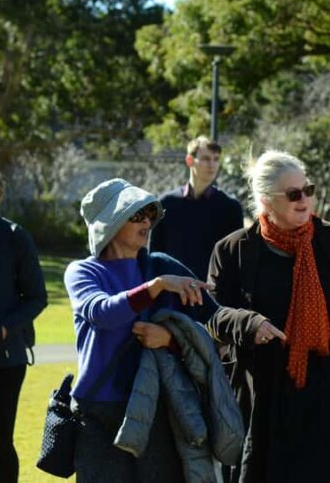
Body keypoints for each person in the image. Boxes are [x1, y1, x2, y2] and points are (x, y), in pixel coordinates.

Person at [205, 150, 330, 483]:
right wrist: (249, 323)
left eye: (308, 190)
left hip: (327, 390)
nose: (304, 201)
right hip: (264, 394)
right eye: (293, 194)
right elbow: (212, 314)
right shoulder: (233, 250)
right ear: (265, 200)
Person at [64, 178, 224, 482]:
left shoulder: (161, 266)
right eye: (137, 214)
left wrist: (171, 340)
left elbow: (213, 323)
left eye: (150, 213)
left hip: (157, 406)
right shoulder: (83, 271)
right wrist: (156, 287)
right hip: (98, 412)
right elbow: (102, 313)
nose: (147, 222)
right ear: (110, 223)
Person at [0, 166, 48, 483]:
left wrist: (4, 328)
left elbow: (37, 297)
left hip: (5, 361)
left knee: (0, 443)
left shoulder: (15, 237)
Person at [150, 136, 244, 281]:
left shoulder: (230, 208)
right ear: (189, 160)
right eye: (206, 159)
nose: (212, 165)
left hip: (212, 290)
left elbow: (236, 260)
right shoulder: (166, 204)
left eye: (216, 159)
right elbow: (155, 255)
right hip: (172, 290)